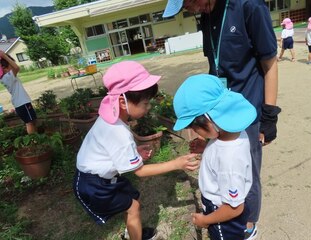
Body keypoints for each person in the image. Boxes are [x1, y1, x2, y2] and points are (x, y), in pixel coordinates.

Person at [163, 1, 281, 239]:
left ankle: (246, 227)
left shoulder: (249, 7)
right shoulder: (207, 13)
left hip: (244, 110)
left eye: (189, 3)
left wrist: (269, 116)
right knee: (225, 161)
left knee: (245, 175)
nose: (190, 10)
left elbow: (270, 64)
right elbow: (215, 67)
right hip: (217, 113)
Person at [73, 61, 200, 240]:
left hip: (97, 177)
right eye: (145, 103)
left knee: (133, 199)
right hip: (93, 184)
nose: (148, 108)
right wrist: (176, 164)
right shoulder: (117, 131)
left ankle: (133, 233)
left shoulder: (112, 116)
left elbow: (110, 150)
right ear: (123, 102)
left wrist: (134, 153)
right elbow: (139, 171)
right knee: (132, 207)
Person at [173, 74, 256, 240]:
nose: (194, 132)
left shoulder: (229, 158)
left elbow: (234, 208)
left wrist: (205, 220)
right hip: (227, 204)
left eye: (194, 127)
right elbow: (222, 153)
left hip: (222, 215)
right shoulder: (232, 130)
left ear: (210, 119)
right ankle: (246, 231)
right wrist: (207, 149)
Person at [0, 50, 37, 134]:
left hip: (20, 103)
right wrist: (4, 56)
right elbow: (17, 67)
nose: (11, 66)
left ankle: (36, 139)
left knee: (32, 121)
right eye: (10, 65)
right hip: (22, 103)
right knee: (30, 123)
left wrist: (5, 57)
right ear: (4, 67)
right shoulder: (8, 76)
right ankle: (34, 141)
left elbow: (14, 66)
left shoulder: (5, 78)